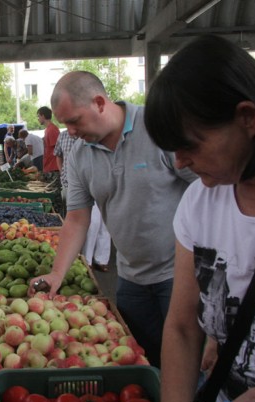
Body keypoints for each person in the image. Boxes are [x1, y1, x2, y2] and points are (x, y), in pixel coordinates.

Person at [144, 35, 255, 402]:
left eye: (190, 145)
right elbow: (181, 326)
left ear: (248, 118)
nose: (179, 164)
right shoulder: (199, 203)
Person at [29, 71, 197, 368]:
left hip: (180, 275)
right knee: (142, 362)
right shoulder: (81, 154)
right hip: (130, 278)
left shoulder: (158, 128)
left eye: (74, 120)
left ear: (99, 103)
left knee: (187, 364)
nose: (70, 131)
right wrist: (57, 273)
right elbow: (77, 218)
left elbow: (205, 187)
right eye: (65, 123)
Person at [54, 130, 111, 270]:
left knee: (104, 223)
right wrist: (62, 172)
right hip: (74, 184)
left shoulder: (99, 134)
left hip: (101, 183)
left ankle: (101, 259)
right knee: (89, 222)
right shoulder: (63, 136)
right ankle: (87, 259)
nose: (72, 128)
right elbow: (58, 155)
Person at [38, 106, 60, 178]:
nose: (38, 119)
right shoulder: (48, 129)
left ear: (43, 116)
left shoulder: (52, 130)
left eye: (38, 116)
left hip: (53, 168)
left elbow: (58, 150)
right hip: (49, 167)